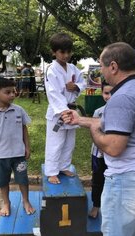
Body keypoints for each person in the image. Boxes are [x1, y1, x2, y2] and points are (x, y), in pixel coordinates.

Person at [61, 42, 135, 236]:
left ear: (113, 66)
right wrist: (81, 119)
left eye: (102, 67)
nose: (101, 73)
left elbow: (114, 147)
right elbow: (119, 122)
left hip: (134, 181)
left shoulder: (122, 97)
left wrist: (93, 130)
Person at [0, 77, 35, 216]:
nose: (12, 95)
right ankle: (6, 203)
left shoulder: (19, 110)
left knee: (23, 180)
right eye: (7, 92)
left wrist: (27, 147)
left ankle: (26, 201)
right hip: (0, 156)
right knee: (3, 182)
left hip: (19, 154)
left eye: (13, 92)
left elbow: (24, 129)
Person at [44, 32, 86, 184]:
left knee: (69, 142)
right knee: (55, 142)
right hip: (58, 115)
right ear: (54, 52)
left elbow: (83, 83)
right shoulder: (51, 70)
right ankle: (52, 171)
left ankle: (64, 166)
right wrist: (64, 111)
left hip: (71, 112)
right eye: (62, 52)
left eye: (69, 51)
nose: (66, 55)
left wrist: (76, 86)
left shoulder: (74, 68)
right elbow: (53, 93)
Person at [88, 81, 113, 219]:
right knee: (97, 180)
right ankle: (96, 206)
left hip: (115, 155)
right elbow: (93, 132)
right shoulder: (98, 112)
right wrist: (102, 146)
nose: (109, 96)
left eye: (113, 93)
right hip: (98, 155)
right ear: (102, 93)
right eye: (106, 93)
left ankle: (111, 207)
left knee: (114, 181)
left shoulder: (124, 112)